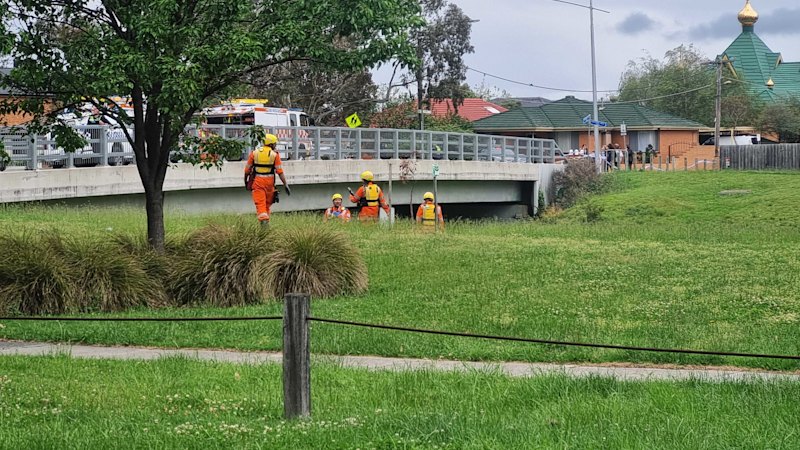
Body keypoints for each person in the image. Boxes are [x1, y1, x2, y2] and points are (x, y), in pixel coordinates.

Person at [244, 133, 290, 228]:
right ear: (271, 144)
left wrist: (246, 181)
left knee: (260, 204)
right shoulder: (275, 155)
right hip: (270, 185)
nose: (275, 145)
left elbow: (247, 170)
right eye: (275, 144)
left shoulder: (254, 153)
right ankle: (265, 225)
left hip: (258, 183)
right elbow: (280, 172)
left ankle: (264, 226)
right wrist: (286, 184)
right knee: (267, 205)